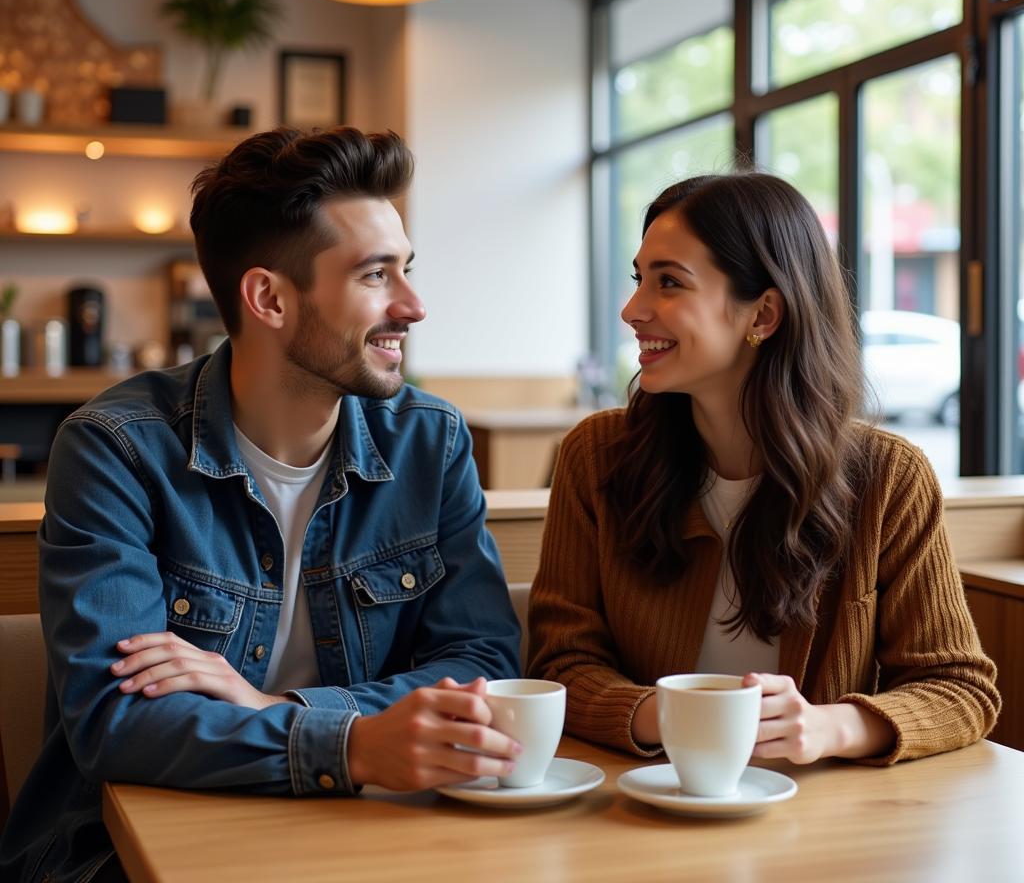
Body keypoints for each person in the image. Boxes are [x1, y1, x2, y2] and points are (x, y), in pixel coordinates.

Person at [0, 127, 522, 882]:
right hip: (124, 848)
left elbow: (483, 661)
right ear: (269, 298)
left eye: (407, 270)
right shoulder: (117, 449)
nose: (414, 305)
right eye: (377, 275)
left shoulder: (427, 442)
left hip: (369, 828)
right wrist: (351, 742)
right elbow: (114, 722)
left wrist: (264, 703)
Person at [528, 172, 1000, 765]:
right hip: (640, 805)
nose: (632, 310)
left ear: (764, 314)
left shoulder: (888, 478)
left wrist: (830, 727)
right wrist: (675, 716)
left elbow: (961, 689)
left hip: (819, 823)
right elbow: (558, 665)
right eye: (638, 279)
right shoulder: (596, 456)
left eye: (669, 282)